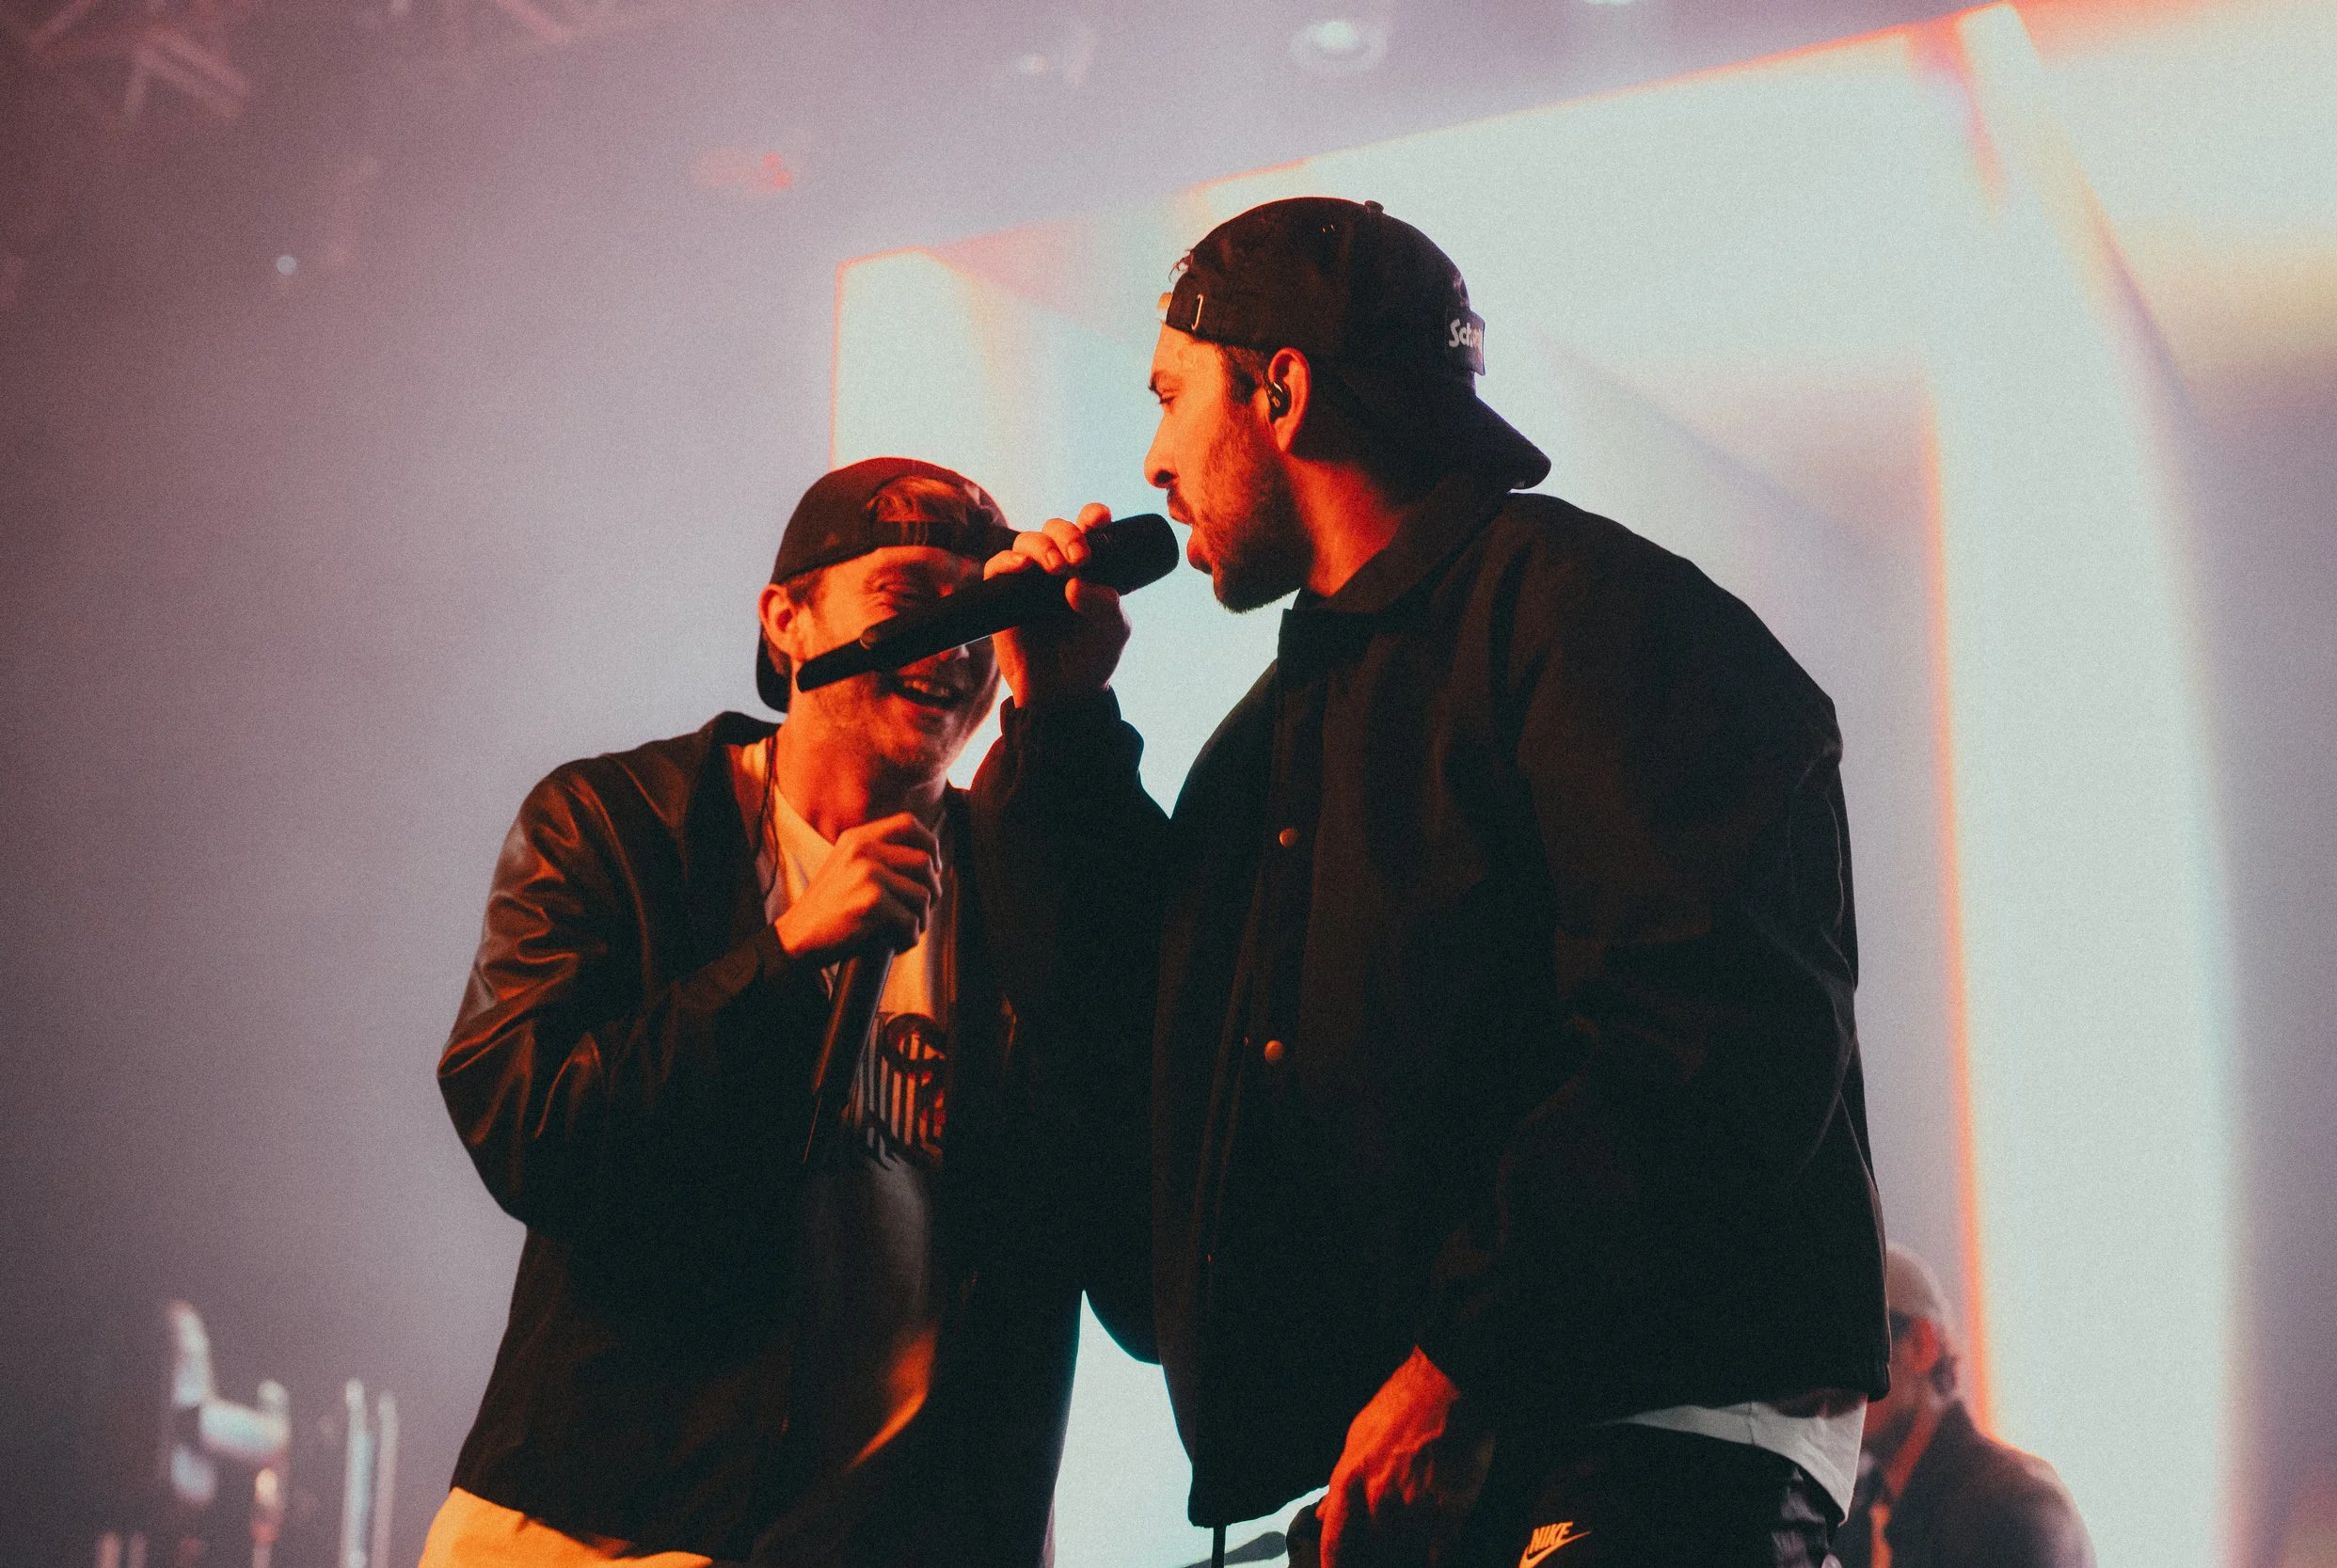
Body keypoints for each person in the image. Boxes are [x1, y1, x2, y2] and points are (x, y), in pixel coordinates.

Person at [981, 197, 1890, 1568]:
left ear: (1280, 387)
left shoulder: (1593, 615)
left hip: (1642, 1464)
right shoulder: (1276, 743)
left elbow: (1711, 1037)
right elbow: (1143, 1082)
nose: (1154, 462)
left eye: (1171, 397)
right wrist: (1058, 731)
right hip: (1427, 1478)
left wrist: (1464, 1359)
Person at [423, 457, 1153, 1568]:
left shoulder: (1021, 873)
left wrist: (1067, 713)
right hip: (593, 1533)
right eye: (912, 605)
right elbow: (532, 1128)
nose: (953, 646)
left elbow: (1132, 1151)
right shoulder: (616, 824)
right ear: (787, 619)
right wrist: (783, 957)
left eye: (981, 610)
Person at [1829, 1246, 2095, 1568]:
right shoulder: (1854, 1513)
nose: (1831, 1381)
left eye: (1852, 1349)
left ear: (1921, 1344)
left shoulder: (2014, 1509)